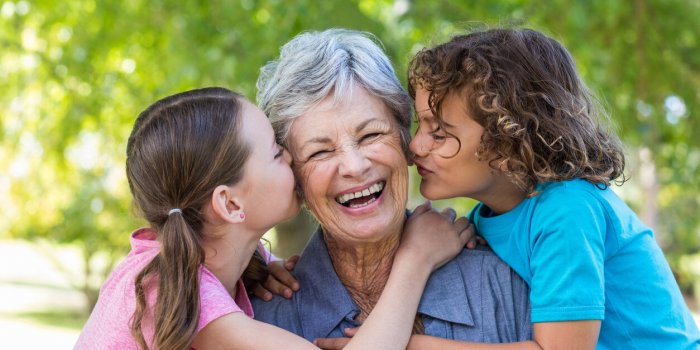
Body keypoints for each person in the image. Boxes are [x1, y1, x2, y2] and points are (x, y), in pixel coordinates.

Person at [74, 87, 473, 349]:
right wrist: (416, 259)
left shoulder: (203, 266)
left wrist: (259, 264)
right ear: (230, 206)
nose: (293, 159)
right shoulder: (174, 289)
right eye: (276, 152)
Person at [408, 28, 700, 349]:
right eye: (418, 126)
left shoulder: (566, 208)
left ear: (508, 142)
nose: (415, 146)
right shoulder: (488, 217)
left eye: (439, 133)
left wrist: (407, 344)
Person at [251, 28, 533, 347]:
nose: (355, 167)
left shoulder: (506, 279)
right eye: (320, 151)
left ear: (404, 142)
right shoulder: (260, 320)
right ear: (294, 180)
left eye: (371, 135)